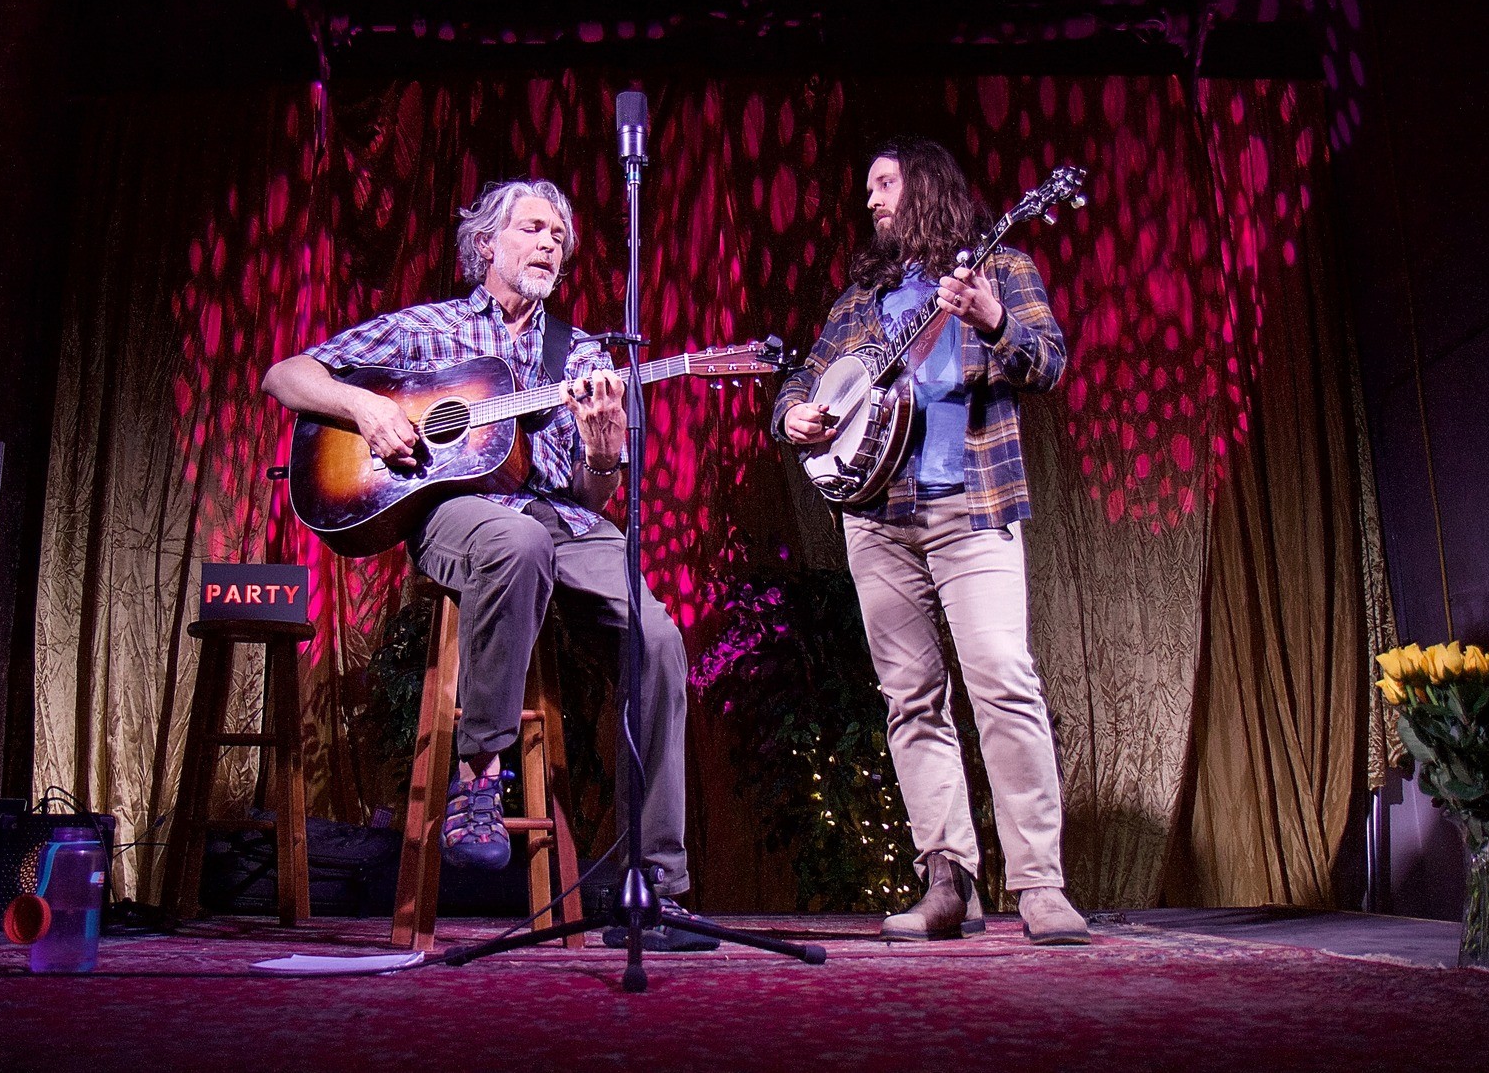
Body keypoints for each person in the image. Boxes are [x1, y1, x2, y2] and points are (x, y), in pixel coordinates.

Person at [262, 178, 715, 951]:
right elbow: (286, 375)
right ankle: (480, 775)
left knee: (660, 641)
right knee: (516, 541)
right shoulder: (428, 329)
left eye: (559, 237)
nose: (549, 245)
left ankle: (656, 884)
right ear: (486, 244)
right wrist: (368, 409)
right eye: (533, 228)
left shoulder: (581, 355)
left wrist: (606, 457)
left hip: (566, 520)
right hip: (462, 521)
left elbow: (592, 494)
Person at [771, 137, 1089, 945]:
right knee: (911, 700)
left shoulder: (1001, 267)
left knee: (1003, 680)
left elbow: (1048, 362)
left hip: (972, 503)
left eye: (883, 183)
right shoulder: (858, 300)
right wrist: (794, 416)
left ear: (926, 185)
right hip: (877, 519)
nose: (871, 200)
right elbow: (802, 381)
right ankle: (946, 881)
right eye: (868, 186)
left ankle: (1041, 886)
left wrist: (991, 319)